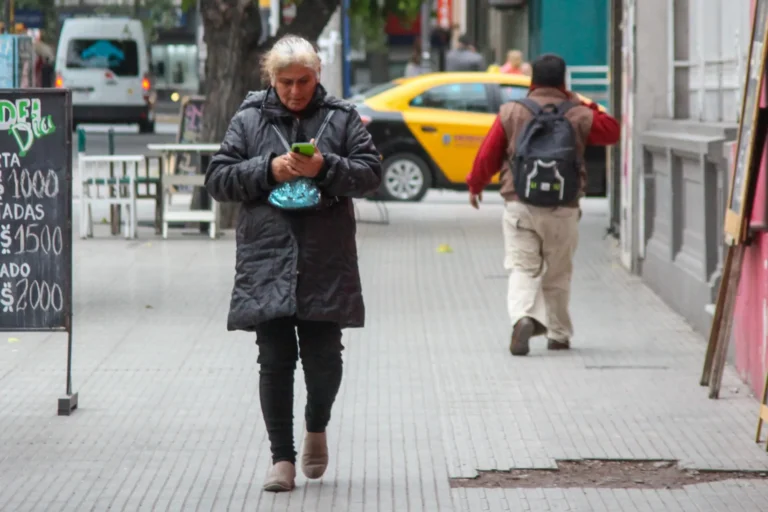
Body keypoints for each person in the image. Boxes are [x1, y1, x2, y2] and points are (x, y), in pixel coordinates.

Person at [204, 35, 382, 492]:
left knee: (325, 361)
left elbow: (370, 173)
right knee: (274, 360)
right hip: (267, 256)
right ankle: (280, 458)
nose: (296, 91)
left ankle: (316, 425)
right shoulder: (249, 118)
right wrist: (267, 170)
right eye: (286, 83)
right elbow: (219, 179)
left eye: (304, 81)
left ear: (317, 75)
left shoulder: (340, 118)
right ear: (271, 79)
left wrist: (325, 167)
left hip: (326, 257)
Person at [465, 53, 620, 356]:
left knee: (522, 267)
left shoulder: (512, 111)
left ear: (531, 80)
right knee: (558, 271)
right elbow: (612, 131)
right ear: (563, 82)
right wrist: (581, 101)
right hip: (564, 206)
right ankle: (559, 335)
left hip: (520, 203)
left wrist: (475, 184)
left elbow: (489, 153)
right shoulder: (577, 113)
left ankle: (523, 316)